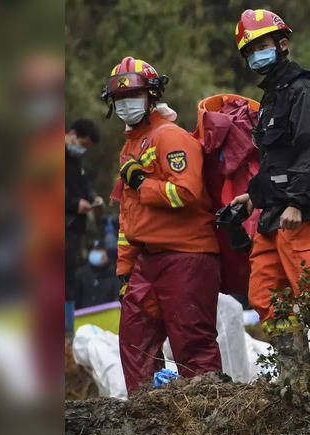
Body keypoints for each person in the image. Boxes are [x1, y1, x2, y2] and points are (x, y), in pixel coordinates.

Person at [227, 9, 310, 394]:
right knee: (265, 295)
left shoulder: (302, 90)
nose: (257, 54)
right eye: (251, 49)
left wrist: (296, 202)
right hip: (274, 215)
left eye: (262, 45)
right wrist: (252, 196)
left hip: (301, 216)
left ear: (282, 44)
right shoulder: (273, 95)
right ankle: (296, 384)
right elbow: (276, 161)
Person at [105, 57, 222, 395]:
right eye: (120, 99)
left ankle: (207, 416)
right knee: (134, 340)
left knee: (192, 344)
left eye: (135, 95)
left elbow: (186, 192)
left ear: (152, 96)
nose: (127, 104)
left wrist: (143, 183)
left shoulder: (170, 137)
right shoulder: (130, 147)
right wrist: (125, 269)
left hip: (188, 255)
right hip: (148, 260)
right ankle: (147, 417)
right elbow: (129, 216)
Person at [66, 118, 102, 323]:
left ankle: (68, 331)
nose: (84, 149)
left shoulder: (75, 160)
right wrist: (73, 204)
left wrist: (92, 197)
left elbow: (84, 183)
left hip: (74, 229)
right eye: (84, 144)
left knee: (69, 279)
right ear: (72, 134)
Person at [74, 240, 118, 309]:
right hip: (84, 317)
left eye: (99, 250)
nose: (95, 253)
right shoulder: (81, 274)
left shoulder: (114, 274)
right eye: (93, 250)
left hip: (107, 316)